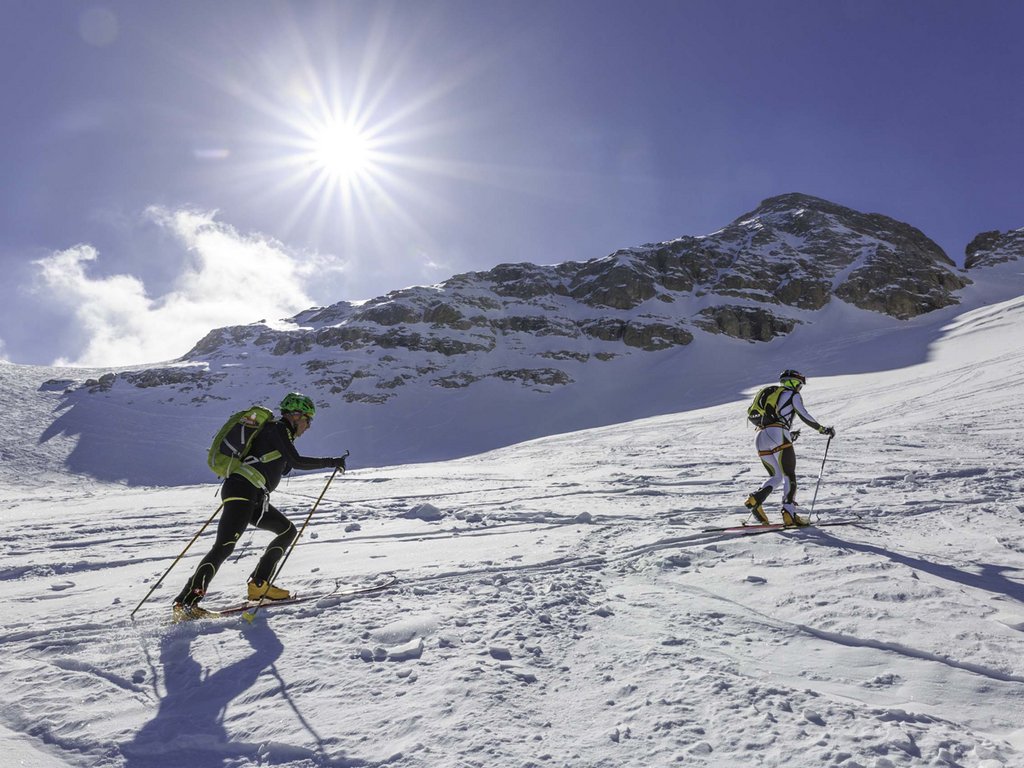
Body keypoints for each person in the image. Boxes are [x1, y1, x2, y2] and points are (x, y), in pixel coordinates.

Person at [172, 393, 347, 621]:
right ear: (295, 416)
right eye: (308, 419)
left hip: (253, 495)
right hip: (242, 490)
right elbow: (297, 461)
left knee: (286, 531)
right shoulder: (278, 429)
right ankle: (186, 603)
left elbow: (280, 464)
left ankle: (259, 584)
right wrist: (331, 462)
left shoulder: (280, 435)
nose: (309, 426)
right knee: (224, 546)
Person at [744, 370, 835, 527]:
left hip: (760, 436)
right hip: (778, 433)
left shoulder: (775, 394)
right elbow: (803, 414)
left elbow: (773, 423)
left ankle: (755, 499)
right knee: (789, 475)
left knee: (776, 476)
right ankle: (789, 513)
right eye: (800, 385)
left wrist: (788, 435)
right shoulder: (793, 394)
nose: (800, 388)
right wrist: (822, 429)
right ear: (794, 383)